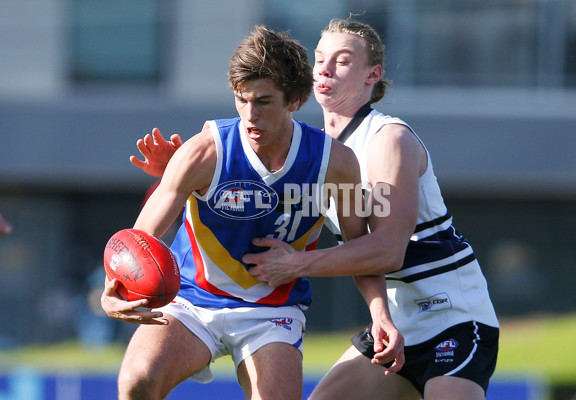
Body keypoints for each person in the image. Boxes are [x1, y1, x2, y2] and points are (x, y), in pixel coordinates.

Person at [130, 18, 499, 400]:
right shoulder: (319, 152)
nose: (323, 68)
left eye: (341, 61)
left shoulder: (388, 139)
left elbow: (387, 249)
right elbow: (259, 200)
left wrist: (296, 265)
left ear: (373, 74)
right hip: (395, 319)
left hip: (449, 314)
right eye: (319, 58)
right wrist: (193, 175)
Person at [101, 25, 402, 400]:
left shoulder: (337, 163)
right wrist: (114, 291)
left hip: (272, 311)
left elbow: (361, 250)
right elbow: (140, 240)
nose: (250, 115)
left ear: (295, 100)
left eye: (263, 102)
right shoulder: (202, 153)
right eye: (242, 100)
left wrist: (380, 314)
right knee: (136, 382)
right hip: (191, 301)